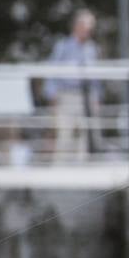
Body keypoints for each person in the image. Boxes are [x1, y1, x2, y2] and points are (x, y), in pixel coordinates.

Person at [44, 9, 99, 162]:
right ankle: (61, 169)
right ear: (78, 26)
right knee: (65, 133)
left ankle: (83, 168)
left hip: (85, 95)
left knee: (86, 133)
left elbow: (95, 77)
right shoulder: (63, 46)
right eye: (87, 25)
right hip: (66, 95)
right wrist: (52, 96)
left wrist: (96, 97)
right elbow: (52, 72)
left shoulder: (91, 48)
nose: (89, 29)